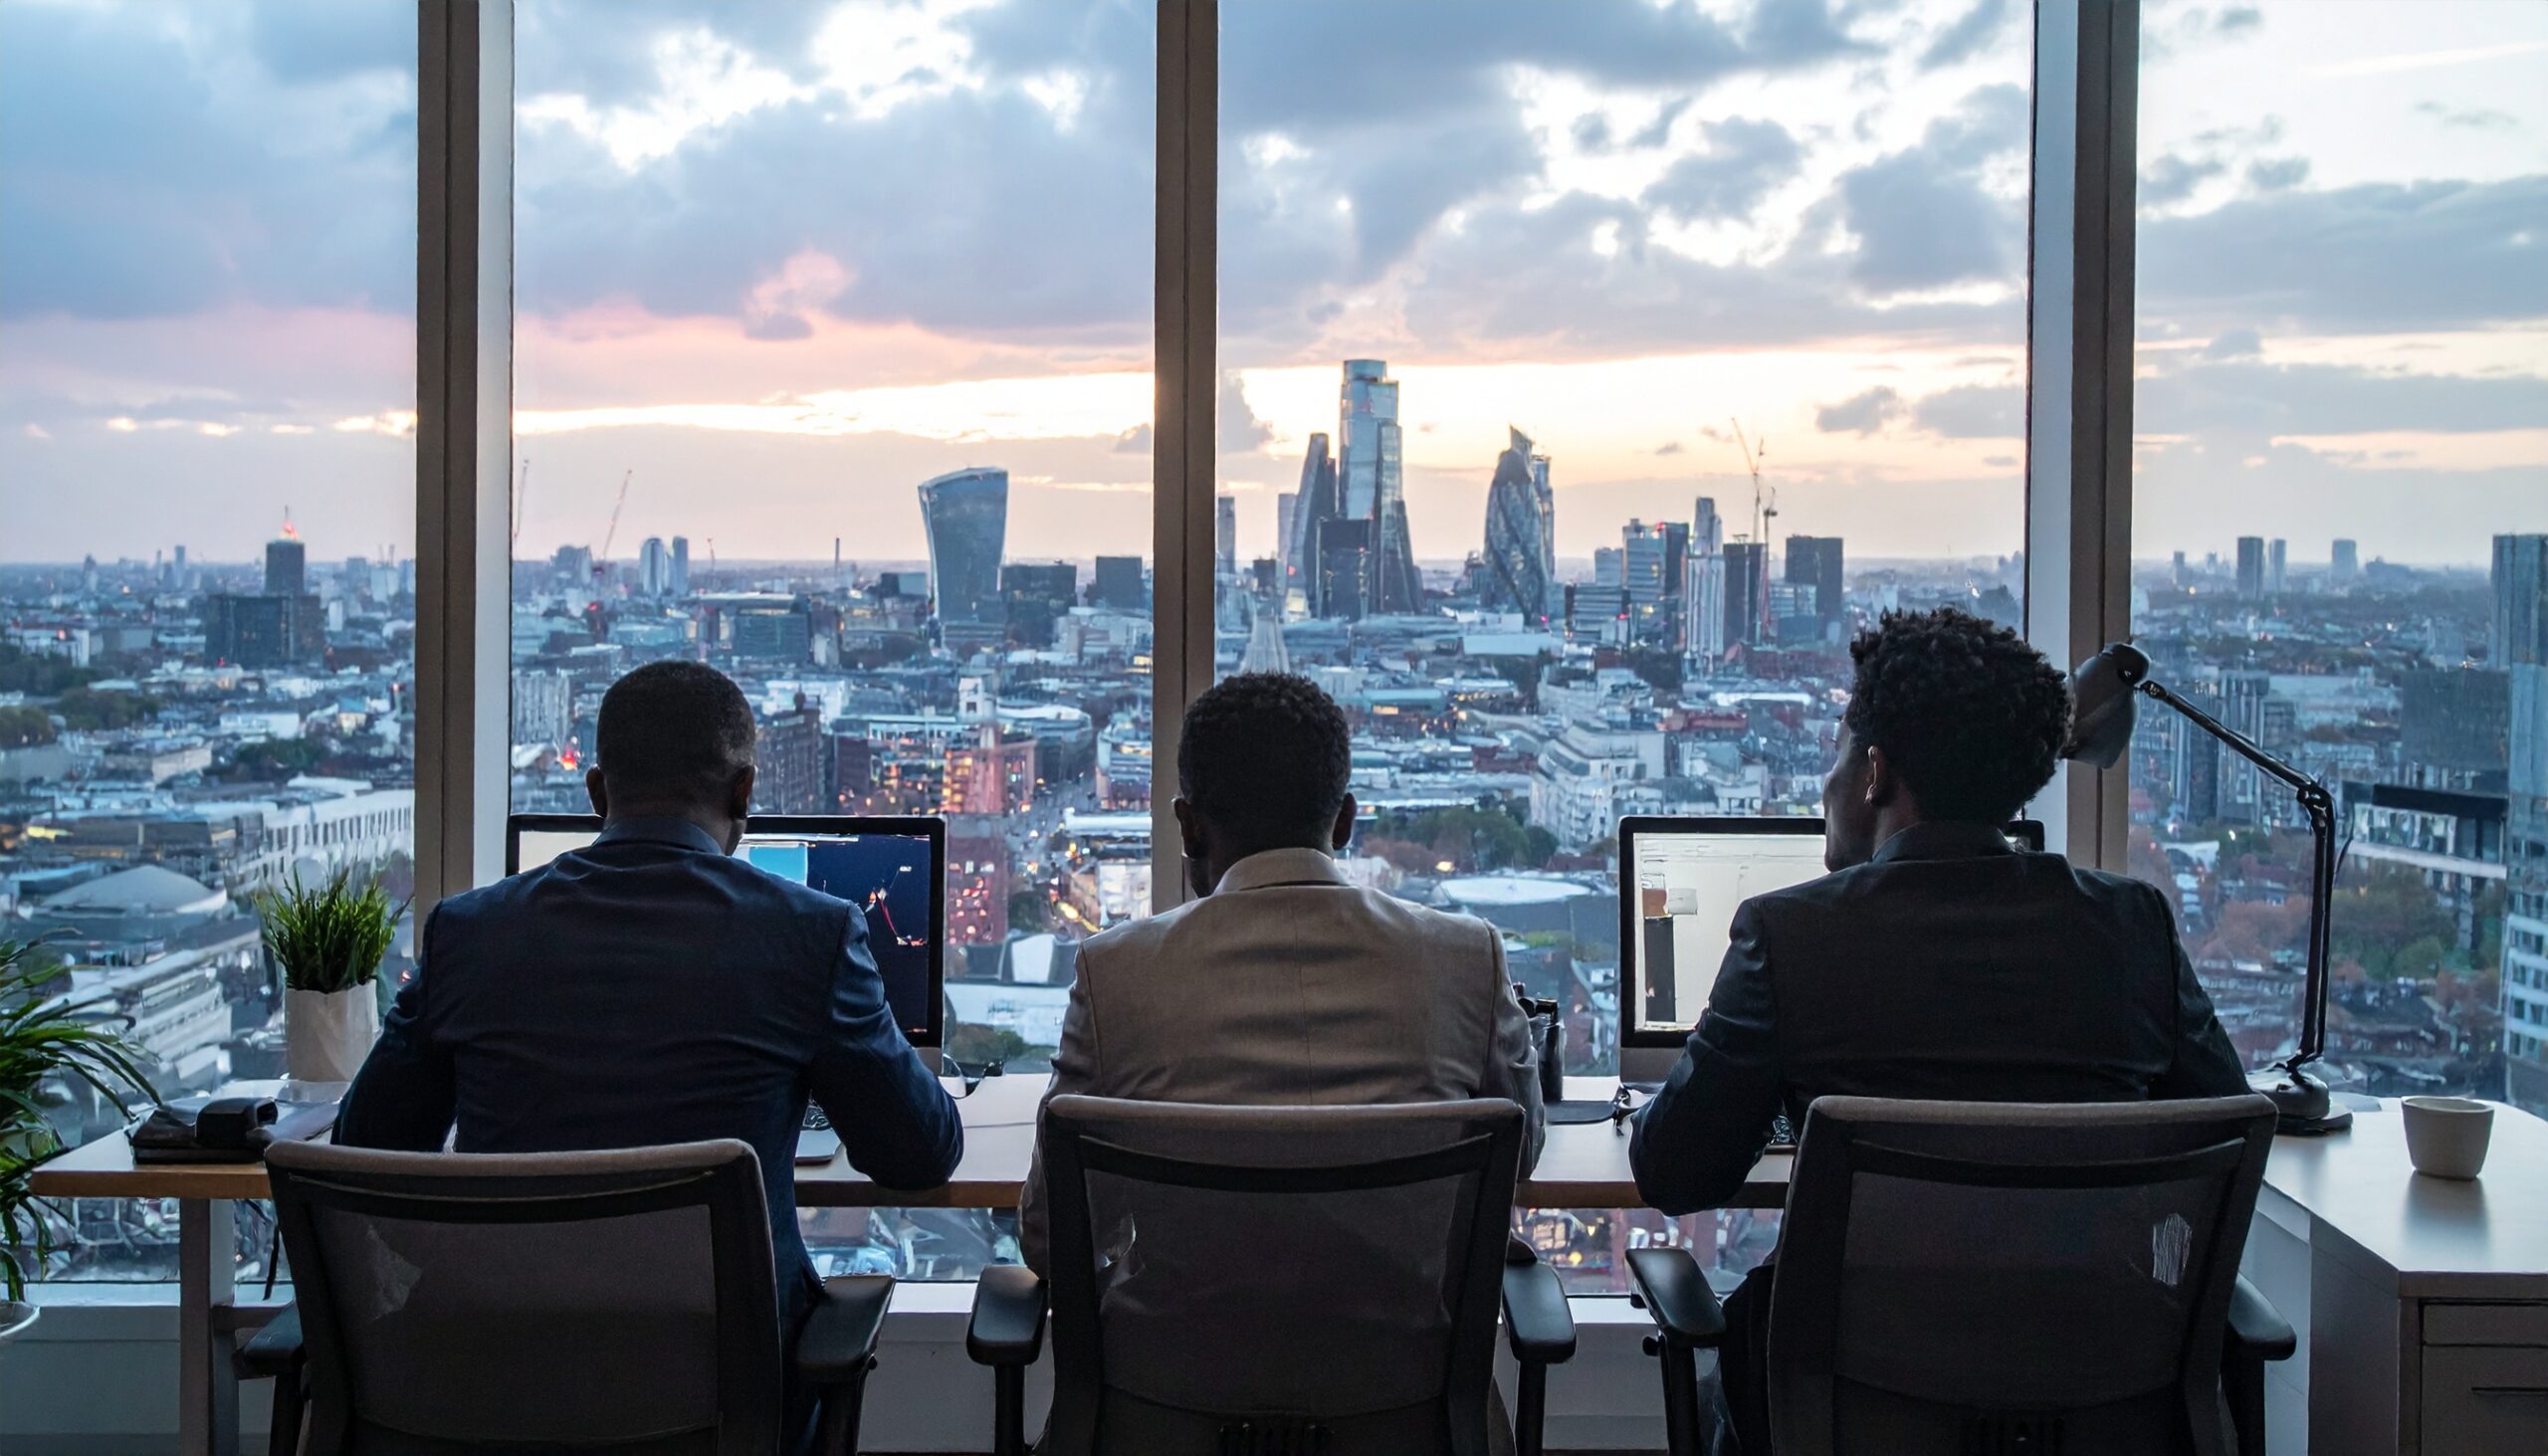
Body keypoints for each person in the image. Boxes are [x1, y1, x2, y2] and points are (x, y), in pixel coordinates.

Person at [1629, 607, 2245, 1454]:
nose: (1828, 783)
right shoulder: (2132, 927)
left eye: (1840, 754)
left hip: (1845, 1416)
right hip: (2091, 1401)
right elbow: (2219, 1124)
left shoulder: (1790, 935)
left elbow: (1672, 1169)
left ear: (1877, 771)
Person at [338, 661, 960, 1441]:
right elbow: (919, 1153)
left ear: (596, 792)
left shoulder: (467, 932)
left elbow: (365, 1152)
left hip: (496, 1385)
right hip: (723, 1395)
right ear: (744, 794)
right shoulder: (812, 933)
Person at [1015, 674, 1546, 1421]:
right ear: (1346, 822)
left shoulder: (1116, 974)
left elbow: (1050, 1242)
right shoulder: (1467, 957)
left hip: (1164, 1410)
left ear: (1188, 826)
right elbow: (1517, 1153)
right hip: (1404, 1411)